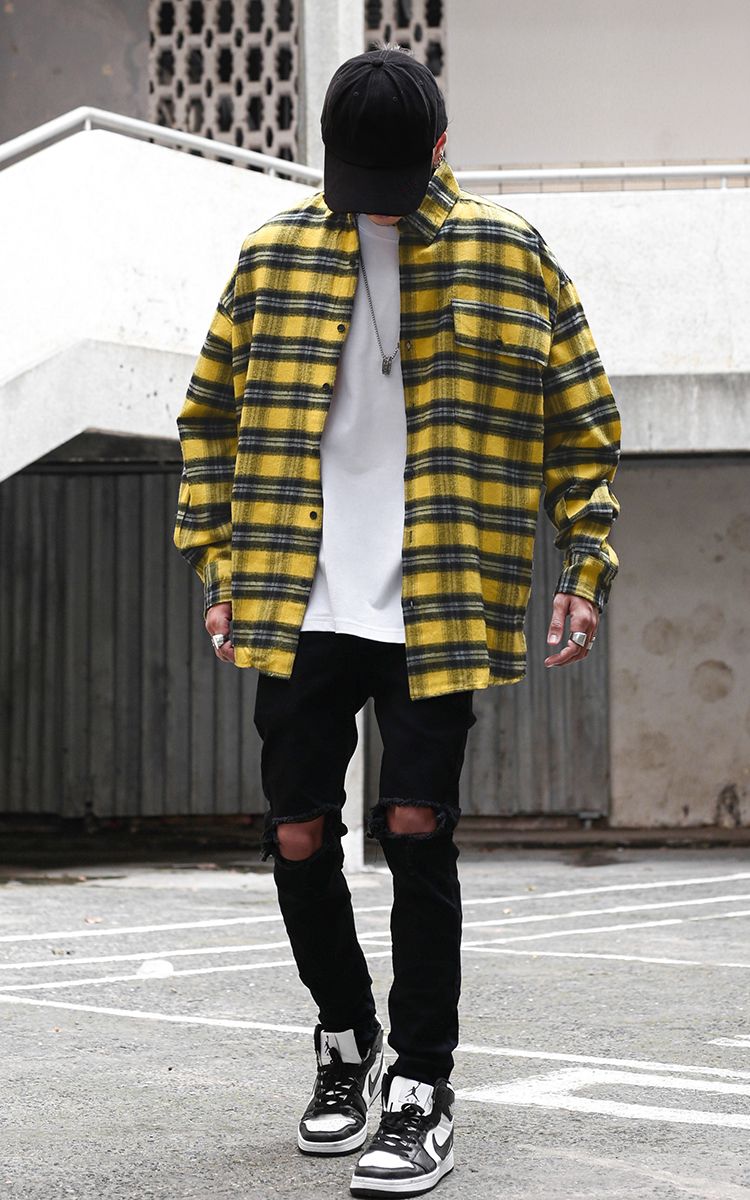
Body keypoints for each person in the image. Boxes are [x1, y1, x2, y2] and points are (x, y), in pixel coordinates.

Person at [173, 44, 621, 1199]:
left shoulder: (510, 254)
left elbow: (582, 422)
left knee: (417, 829)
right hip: (300, 593)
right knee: (296, 835)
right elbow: (208, 418)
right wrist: (218, 569)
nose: (376, 206)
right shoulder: (272, 256)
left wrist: (585, 564)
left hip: (437, 595)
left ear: (440, 150)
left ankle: (421, 1087)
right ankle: (344, 1040)